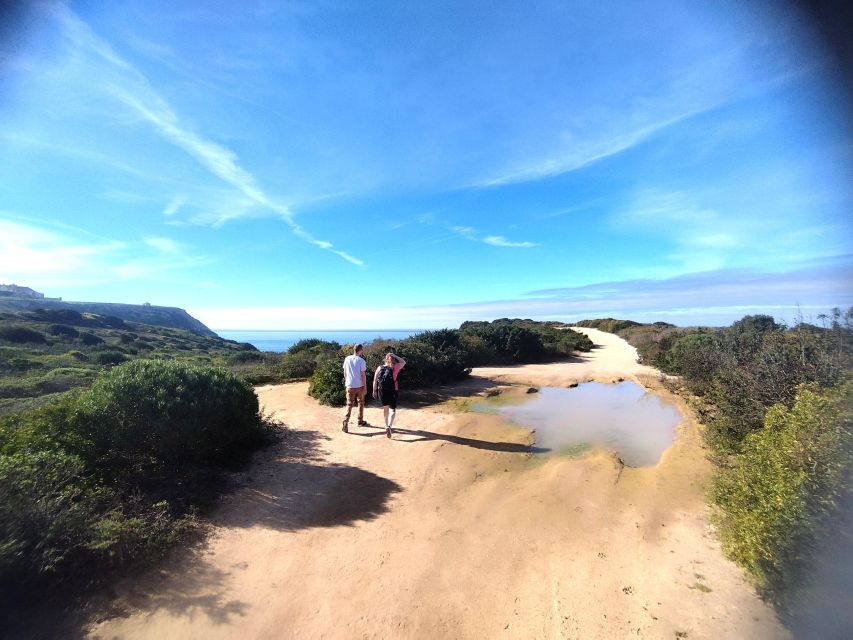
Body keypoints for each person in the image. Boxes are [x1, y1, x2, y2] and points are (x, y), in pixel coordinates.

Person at [373, 352, 406, 439]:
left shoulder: (380, 368)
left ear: (385, 359)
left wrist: (374, 390)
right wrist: (395, 356)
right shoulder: (396, 367)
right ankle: (390, 426)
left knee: (385, 409)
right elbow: (403, 362)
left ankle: (386, 425)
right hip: (393, 390)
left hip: (382, 391)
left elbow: (375, 380)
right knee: (392, 410)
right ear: (393, 359)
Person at [341, 344, 367, 433]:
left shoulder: (347, 359)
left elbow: (345, 372)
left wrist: (347, 381)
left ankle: (345, 422)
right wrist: (365, 386)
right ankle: (360, 421)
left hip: (349, 385)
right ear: (360, 350)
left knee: (349, 405)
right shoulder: (361, 361)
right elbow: (363, 375)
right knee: (361, 403)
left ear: (354, 350)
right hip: (359, 385)